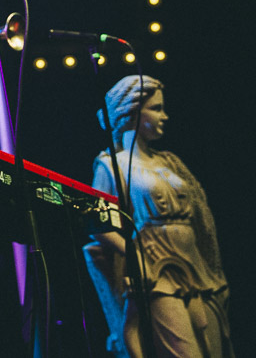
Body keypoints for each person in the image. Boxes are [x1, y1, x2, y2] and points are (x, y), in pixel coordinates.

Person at [89, 75, 233, 358]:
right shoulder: (111, 165)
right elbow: (97, 223)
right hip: (157, 268)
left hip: (194, 264)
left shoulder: (169, 162)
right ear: (131, 111)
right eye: (156, 109)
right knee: (185, 353)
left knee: (213, 350)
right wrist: (134, 255)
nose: (164, 116)